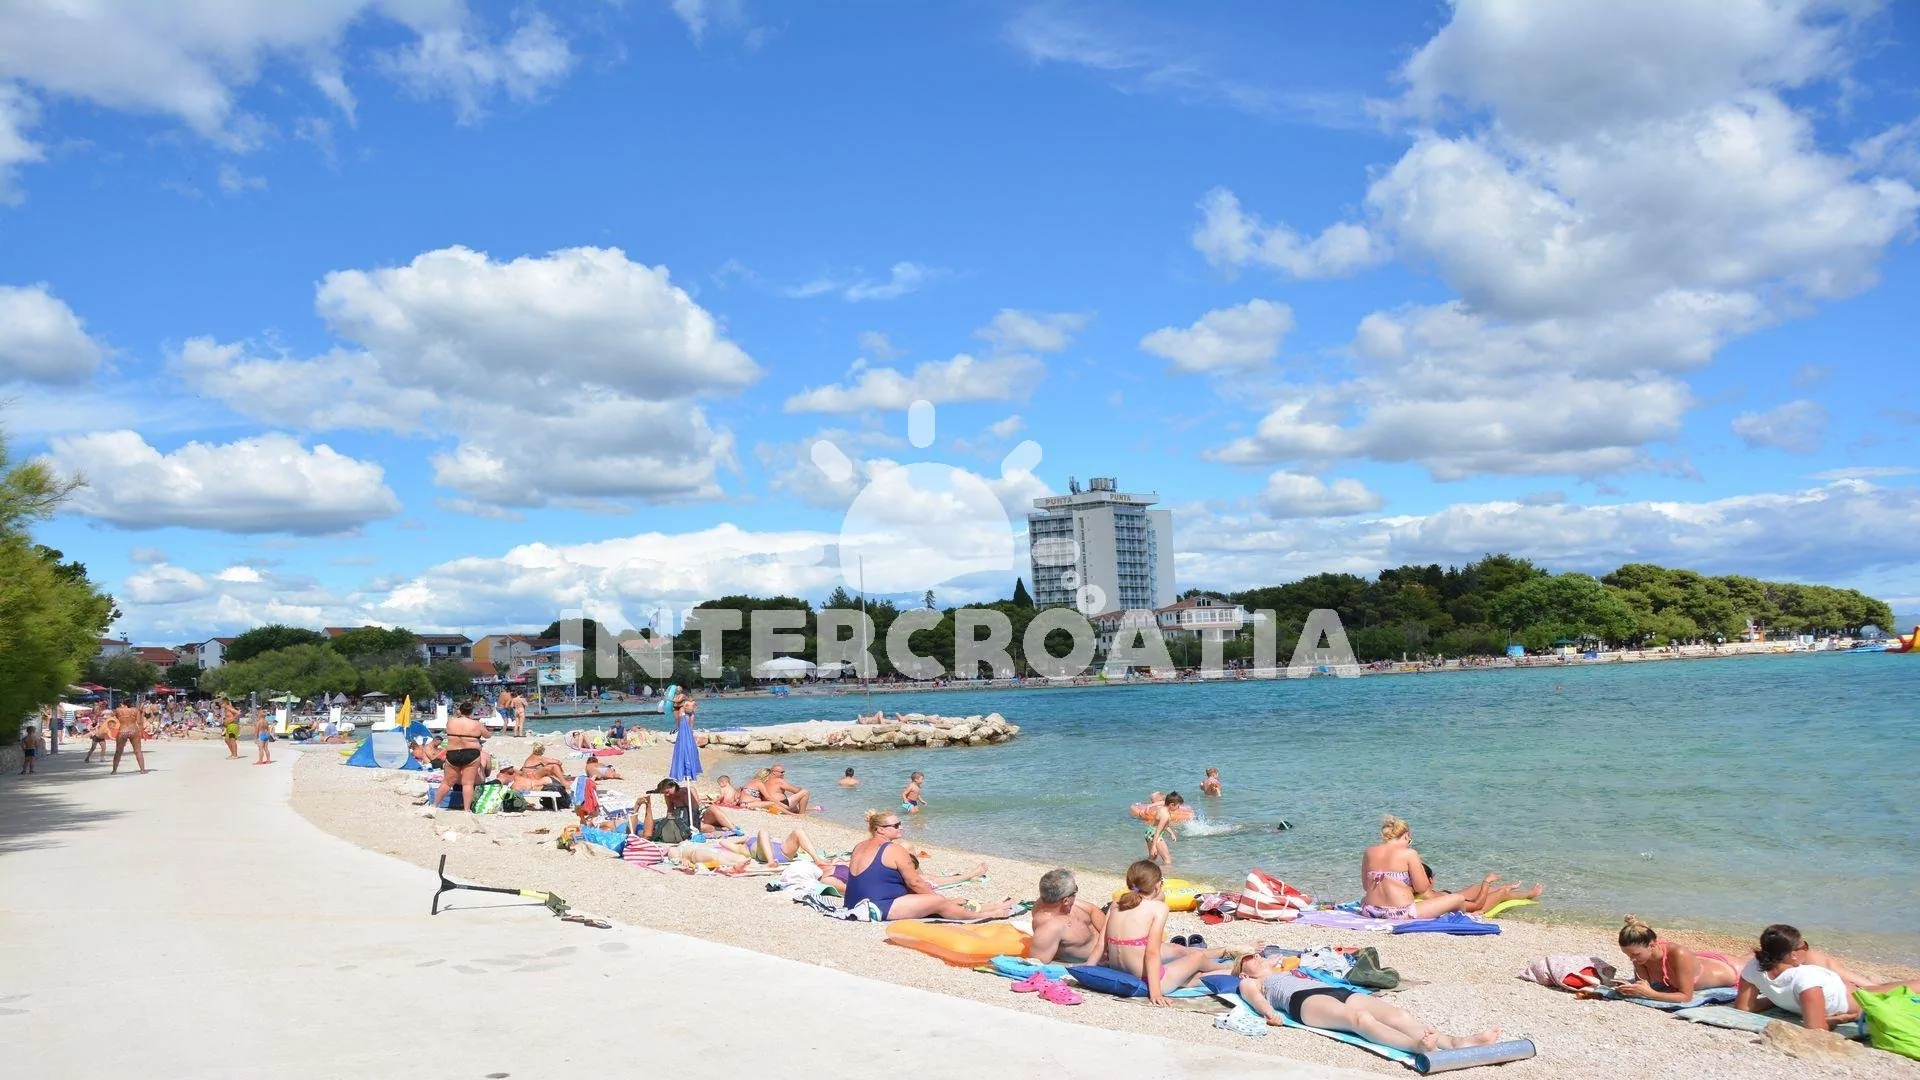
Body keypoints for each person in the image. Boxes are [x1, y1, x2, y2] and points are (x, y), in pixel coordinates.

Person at [1234, 953, 1504, 1050]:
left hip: (1332, 990)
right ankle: (1417, 1047)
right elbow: (1255, 998)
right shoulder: (1249, 982)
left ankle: (1456, 1042)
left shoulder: (1282, 968)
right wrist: (1270, 1014)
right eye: (1248, 958)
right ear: (1243, 971)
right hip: (1303, 1000)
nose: (1256, 956)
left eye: (1256, 954)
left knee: (1398, 1015)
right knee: (1360, 1020)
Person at [843, 810, 1015, 921]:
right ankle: (984, 915)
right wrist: (941, 900)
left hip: (853, 902)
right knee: (938, 902)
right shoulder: (894, 849)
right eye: (896, 825)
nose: (901, 828)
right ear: (880, 829)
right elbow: (915, 883)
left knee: (940, 901)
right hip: (876, 906)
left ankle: (990, 906)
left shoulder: (859, 846)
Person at [1102, 861, 1234, 1004]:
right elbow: (1152, 954)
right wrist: (1156, 994)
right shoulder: (1159, 908)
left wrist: (1088, 968)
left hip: (1122, 972)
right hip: (1152, 981)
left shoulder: (1116, 904)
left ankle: (1218, 964)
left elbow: (1100, 944)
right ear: (1158, 885)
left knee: (1187, 965)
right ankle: (1231, 968)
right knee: (1197, 957)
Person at [1734, 924, 1897, 1030]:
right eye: (1804, 946)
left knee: (1886, 987)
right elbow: (1816, 1029)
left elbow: (1744, 1007)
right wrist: (1844, 1019)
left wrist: (1774, 998)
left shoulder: (1754, 967)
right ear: (1793, 955)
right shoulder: (1806, 979)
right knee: (1904, 988)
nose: (1807, 949)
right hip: (1855, 999)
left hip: (1840, 991)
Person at [1358, 815, 1495, 921]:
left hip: (1369, 911)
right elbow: (1421, 888)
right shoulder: (1409, 853)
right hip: (1401, 914)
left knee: (1366, 898)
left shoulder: (1369, 852)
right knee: (1457, 898)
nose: (1409, 843)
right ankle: (1466, 917)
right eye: (1409, 840)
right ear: (1406, 836)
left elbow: (1366, 886)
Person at [1614, 914, 1740, 1003]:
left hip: (1729, 970)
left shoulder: (1678, 954)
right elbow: (1643, 984)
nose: (1631, 959)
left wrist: (1651, 994)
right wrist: (1630, 988)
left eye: (1635, 954)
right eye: (1628, 955)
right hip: (1697, 961)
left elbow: (1686, 997)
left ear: (1652, 945)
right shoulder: (1640, 957)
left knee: (1750, 958)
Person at [1029, 869, 1107, 965]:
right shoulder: (1049, 928)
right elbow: (1036, 964)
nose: (1076, 893)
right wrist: (1086, 965)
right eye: (1075, 891)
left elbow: (1093, 910)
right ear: (1066, 900)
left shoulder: (1073, 906)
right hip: (1095, 964)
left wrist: (1109, 941)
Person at [429, 701, 489, 811]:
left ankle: (434, 805)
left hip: (453, 752)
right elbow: (487, 735)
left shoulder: (450, 722)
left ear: (460, 711)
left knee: (447, 782)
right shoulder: (476, 724)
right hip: (471, 753)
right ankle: (466, 810)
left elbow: (448, 731)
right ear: (471, 712)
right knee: (468, 784)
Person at [1421, 863, 1542, 914]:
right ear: (1430, 879)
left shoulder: (1420, 892)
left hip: (1451, 898)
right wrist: (1487, 882)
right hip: (1470, 908)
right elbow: (1477, 905)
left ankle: (1501, 890)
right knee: (1502, 893)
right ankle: (1530, 894)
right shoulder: (1433, 898)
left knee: (1475, 888)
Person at [110, 700, 149, 774]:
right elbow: (139, 722)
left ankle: (114, 771)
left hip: (123, 730)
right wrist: (142, 733)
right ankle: (142, 770)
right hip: (133, 730)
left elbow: (112, 716)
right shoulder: (135, 710)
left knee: (118, 751)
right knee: (138, 751)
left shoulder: (118, 710)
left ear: (122, 704)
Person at [1146, 792, 1183, 868]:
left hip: (1149, 832)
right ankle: (1164, 874)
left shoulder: (1163, 807)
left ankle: (1144, 869)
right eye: (1178, 806)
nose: (1178, 808)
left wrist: (1171, 833)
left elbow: (1164, 825)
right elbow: (1158, 831)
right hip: (1155, 835)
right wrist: (1154, 846)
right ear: (1172, 804)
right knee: (1167, 860)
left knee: (1152, 857)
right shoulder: (1165, 816)